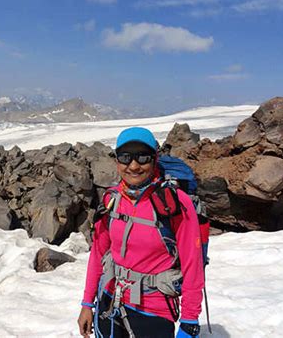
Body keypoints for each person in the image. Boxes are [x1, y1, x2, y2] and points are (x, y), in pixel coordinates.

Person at [77, 127, 204, 338]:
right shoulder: (111, 200)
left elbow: (193, 265)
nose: (134, 166)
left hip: (153, 308)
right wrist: (87, 303)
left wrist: (190, 320)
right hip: (109, 300)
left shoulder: (174, 203)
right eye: (125, 157)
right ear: (116, 160)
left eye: (142, 157)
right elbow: (98, 254)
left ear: (154, 159)